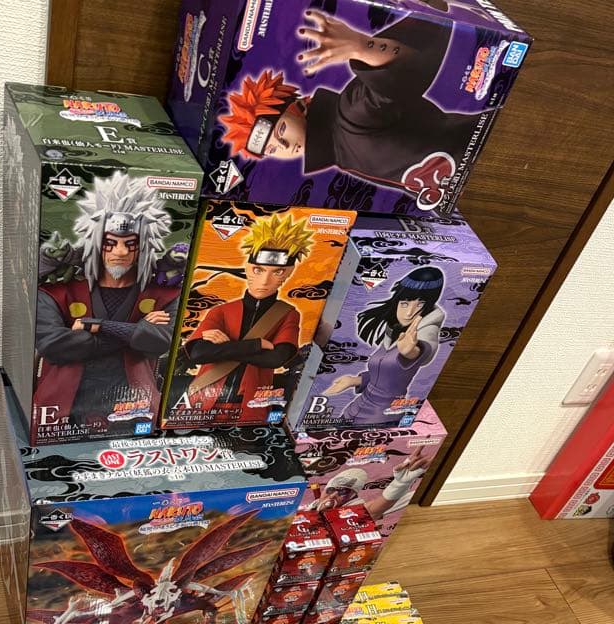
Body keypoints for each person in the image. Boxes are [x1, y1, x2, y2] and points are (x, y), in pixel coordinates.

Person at [220, 12, 490, 212]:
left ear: (297, 105)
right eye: (270, 150)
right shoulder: (340, 150)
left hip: (490, 150)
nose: (284, 146)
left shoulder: (350, 116)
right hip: (480, 178)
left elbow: (407, 73)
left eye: (280, 129)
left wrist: (362, 47)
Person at [35, 171, 180, 430]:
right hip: (62, 412)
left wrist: (96, 325)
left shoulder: (164, 294)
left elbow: (160, 342)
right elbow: (53, 344)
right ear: (94, 243)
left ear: (144, 245)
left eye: (130, 243)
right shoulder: (58, 291)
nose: (120, 252)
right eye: (110, 243)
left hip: (135, 411)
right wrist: (135, 333)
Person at [170, 212, 312, 417]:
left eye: (277, 272)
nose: (265, 281)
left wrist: (226, 346)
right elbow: (199, 353)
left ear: (289, 272)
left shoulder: (288, 313)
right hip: (202, 398)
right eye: (258, 270)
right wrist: (256, 345)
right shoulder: (221, 311)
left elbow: (276, 358)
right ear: (247, 268)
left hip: (252, 404)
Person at [322, 267, 445, 425]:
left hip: (381, 418)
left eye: (420, 304)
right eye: (405, 304)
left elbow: (424, 350)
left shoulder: (425, 332)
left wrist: (411, 351)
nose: (409, 313)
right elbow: (384, 376)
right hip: (357, 409)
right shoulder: (393, 332)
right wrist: (354, 380)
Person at [308, 447, 435, 521]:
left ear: (352, 497)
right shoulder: (309, 506)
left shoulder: (352, 512)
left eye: (343, 491)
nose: (332, 495)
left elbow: (374, 508)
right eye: (331, 490)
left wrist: (399, 484)